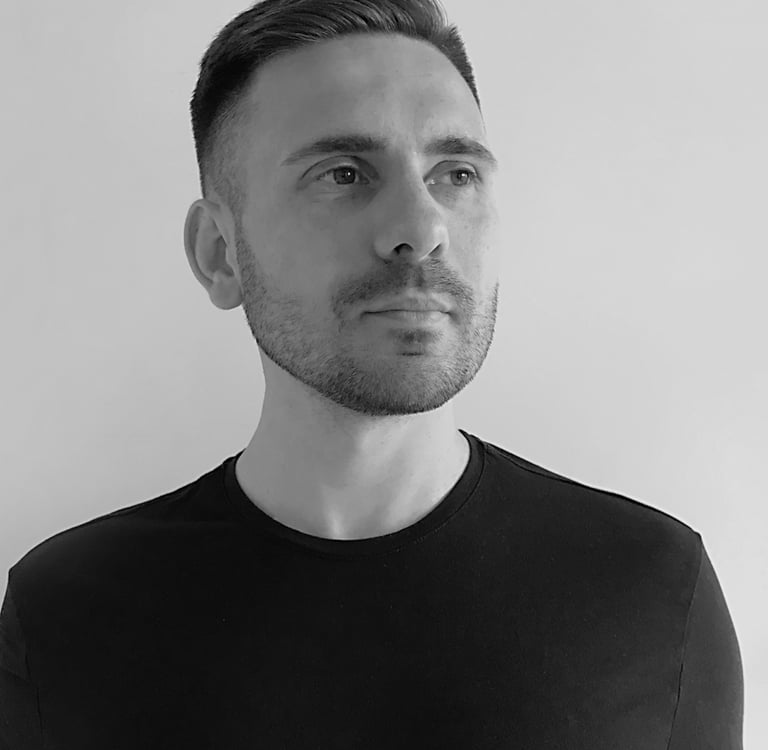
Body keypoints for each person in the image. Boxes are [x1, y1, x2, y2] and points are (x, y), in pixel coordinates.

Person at [0, 0, 744, 747]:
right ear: (220, 254)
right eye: (345, 173)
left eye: (455, 173)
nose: (422, 229)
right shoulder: (65, 612)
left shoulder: (652, 589)